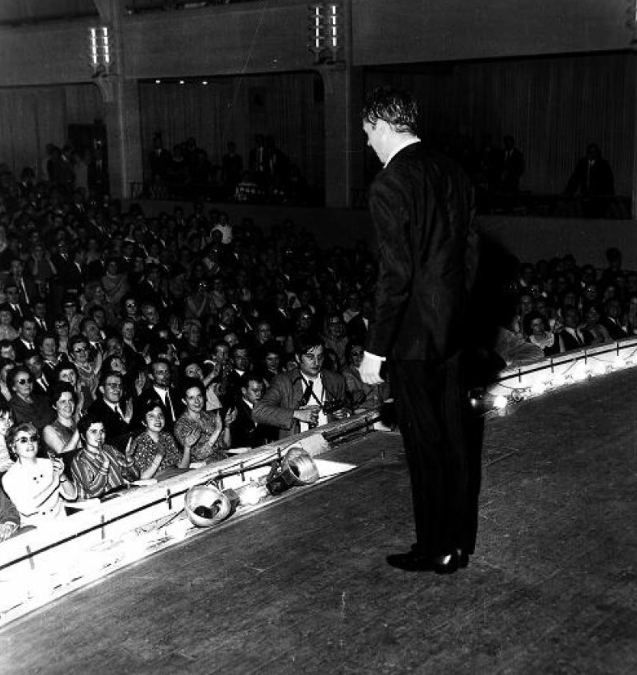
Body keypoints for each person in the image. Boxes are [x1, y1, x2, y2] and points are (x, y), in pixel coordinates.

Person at [359, 87, 480, 574]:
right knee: (455, 439)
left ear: (384, 125)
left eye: (368, 132)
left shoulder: (389, 185)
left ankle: (434, 547)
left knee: (424, 446)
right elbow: (470, 258)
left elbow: (396, 276)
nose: (367, 143)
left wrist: (375, 349)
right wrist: (455, 316)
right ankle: (457, 543)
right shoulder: (454, 172)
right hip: (452, 331)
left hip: (410, 340)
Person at [252, 332, 348, 439]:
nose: (316, 362)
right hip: (298, 446)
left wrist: (345, 414)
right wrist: (296, 414)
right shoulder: (283, 382)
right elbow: (258, 412)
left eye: (320, 357)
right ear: (298, 358)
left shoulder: (336, 380)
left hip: (331, 441)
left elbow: (347, 408)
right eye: (310, 357)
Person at [2, 422, 77, 528]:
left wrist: (62, 476)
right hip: (35, 528)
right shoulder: (10, 477)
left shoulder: (49, 464)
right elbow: (27, 508)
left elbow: (72, 495)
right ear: (13, 447)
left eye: (33, 438)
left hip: (61, 520)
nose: (30, 443)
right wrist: (54, 483)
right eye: (23, 440)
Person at [71, 413, 137, 499]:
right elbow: (94, 492)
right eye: (94, 432)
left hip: (122, 496)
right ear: (83, 436)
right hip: (100, 505)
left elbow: (134, 477)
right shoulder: (79, 460)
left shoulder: (109, 449)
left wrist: (128, 459)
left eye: (102, 431)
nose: (99, 436)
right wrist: (105, 465)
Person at [173, 378, 233, 463]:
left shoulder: (209, 416)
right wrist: (217, 430)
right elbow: (200, 455)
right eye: (191, 398)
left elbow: (226, 445)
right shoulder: (181, 425)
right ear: (184, 401)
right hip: (202, 468)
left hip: (223, 460)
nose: (197, 401)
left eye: (199, 396)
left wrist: (227, 426)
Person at [130, 399, 192, 480]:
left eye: (160, 415)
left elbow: (182, 467)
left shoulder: (167, 437)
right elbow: (143, 478)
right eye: (152, 416)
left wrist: (187, 447)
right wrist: (159, 457)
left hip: (177, 474)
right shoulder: (139, 442)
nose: (158, 419)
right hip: (159, 481)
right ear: (144, 422)